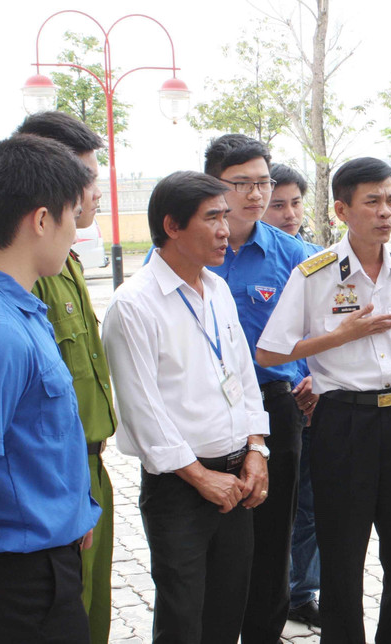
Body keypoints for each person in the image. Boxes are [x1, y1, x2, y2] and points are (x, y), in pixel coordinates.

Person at [256, 157, 391, 644]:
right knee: (343, 552)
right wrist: (339, 336)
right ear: (342, 209)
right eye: (372, 202)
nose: (385, 212)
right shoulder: (314, 275)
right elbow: (269, 349)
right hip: (343, 423)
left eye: (390, 200)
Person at [102, 171, 270, 643]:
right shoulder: (133, 305)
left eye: (226, 216)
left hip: (236, 476)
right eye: (212, 217)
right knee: (182, 616)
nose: (225, 230)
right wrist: (200, 477)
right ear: (172, 226)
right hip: (180, 488)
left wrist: (257, 448)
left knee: (226, 609)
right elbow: (142, 410)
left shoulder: (216, 289)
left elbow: (242, 373)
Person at [0, 134, 100, 643]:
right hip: (17, 580)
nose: (75, 233)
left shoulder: (25, 309)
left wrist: (72, 510)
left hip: (49, 556)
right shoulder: (1, 333)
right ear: (40, 220)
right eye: (72, 217)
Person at [202, 135, 310, 644]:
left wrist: (309, 373)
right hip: (202, 411)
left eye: (263, 182)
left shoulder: (293, 256)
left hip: (273, 407)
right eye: (241, 183)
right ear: (215, 184)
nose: (256, 194)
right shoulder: (196, 251)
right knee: (210, 539)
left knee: (272, 539)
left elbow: (317, 325)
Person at [16, 111, 117, 644]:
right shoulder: (19, 279)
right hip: (50, 486)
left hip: (90, 471)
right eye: (83, 178)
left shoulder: (67, 261)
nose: (92, 193)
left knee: (90, 614)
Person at [266, 162, 324, 628]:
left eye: (295, 203)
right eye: (277, 204)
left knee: (308, 504)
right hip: (262, 402)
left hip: (307, 399)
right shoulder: (224, 259)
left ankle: (302, 592)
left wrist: (314, 377)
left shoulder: (314, 257)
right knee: (268, 511)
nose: (288, 213)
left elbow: (330, 329)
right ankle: (264, 597)